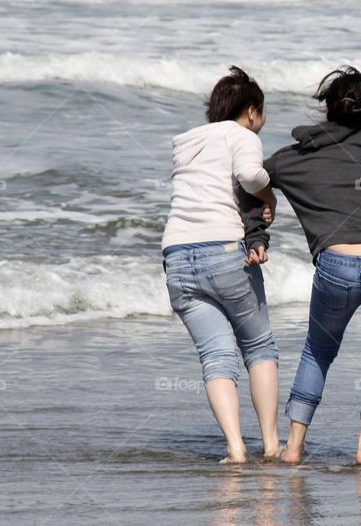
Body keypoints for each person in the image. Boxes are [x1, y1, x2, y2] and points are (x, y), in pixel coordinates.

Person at [263, 66, 361, 465]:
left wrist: (257, 228)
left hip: (336, 265)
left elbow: (251, 179)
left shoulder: (294, 157)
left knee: (317, 353)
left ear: (328, 110)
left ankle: (293, 448)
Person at [161, 66, 280, 464]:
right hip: (225, 252)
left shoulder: (186, 142)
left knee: (215, 356)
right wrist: (270, 197)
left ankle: (235, 449)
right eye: (262, 113)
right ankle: (271, 445)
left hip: (177, 257)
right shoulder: (242, 135)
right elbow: (249, 175)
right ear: (251, 111)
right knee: (258, 347)